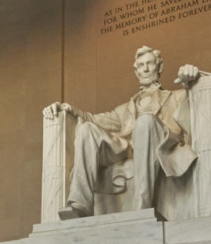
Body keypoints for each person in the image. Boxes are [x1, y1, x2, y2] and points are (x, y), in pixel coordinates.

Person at [43, 45, 202, 219]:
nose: (146, 69)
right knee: (86, 129)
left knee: (145, 121)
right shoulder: (125, 109)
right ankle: (79, 204)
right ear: (136, 72)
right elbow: (94, 119)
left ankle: (142, 209)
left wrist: (193, 80)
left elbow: (196, 106)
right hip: (128, 149)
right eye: (141, 65)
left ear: (160, 67)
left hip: (161, 145)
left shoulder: (177, 96)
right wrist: (67, 109)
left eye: (150, 63)